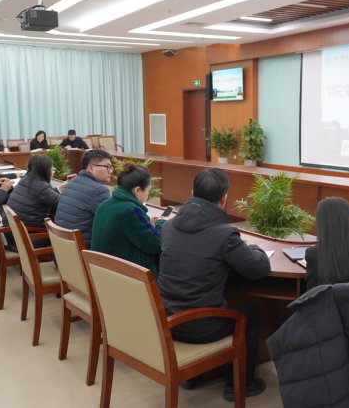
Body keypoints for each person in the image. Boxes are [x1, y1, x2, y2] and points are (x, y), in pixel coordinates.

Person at [158, 168, 271, 401]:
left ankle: (191, 377)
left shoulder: (168, 226)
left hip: (167, 321)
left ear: (192, 192)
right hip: (201, 327)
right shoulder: (224, 234)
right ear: (224, 198)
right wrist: (254, 248)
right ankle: (239, 384)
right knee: (252, 313)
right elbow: (258, 269)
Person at [92, 163, 164, 275]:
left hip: (102, 274)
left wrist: (147, 223)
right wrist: (161, 223)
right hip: (126, 277)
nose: (148, 194)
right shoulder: (130, 210)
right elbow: (156, 244)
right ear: (137, 190)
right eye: (148, 190)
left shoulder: (105, 204)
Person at [54, 149, 113, 247]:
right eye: (107, 167)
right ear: (91, 168)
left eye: (111, 167)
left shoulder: (71, 183)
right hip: (84, 250)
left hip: (63, 247)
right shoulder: (99, 190)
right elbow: (111, 224)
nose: (111, 171)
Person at [7, 155, 66, 231]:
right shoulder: (41, 187)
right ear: (45, 171)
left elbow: (48, 196)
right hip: (30, 232)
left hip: (13, 229)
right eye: (52, 169)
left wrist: (59, 188)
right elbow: (63, 204)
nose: (53, 172)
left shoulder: (25, 179)